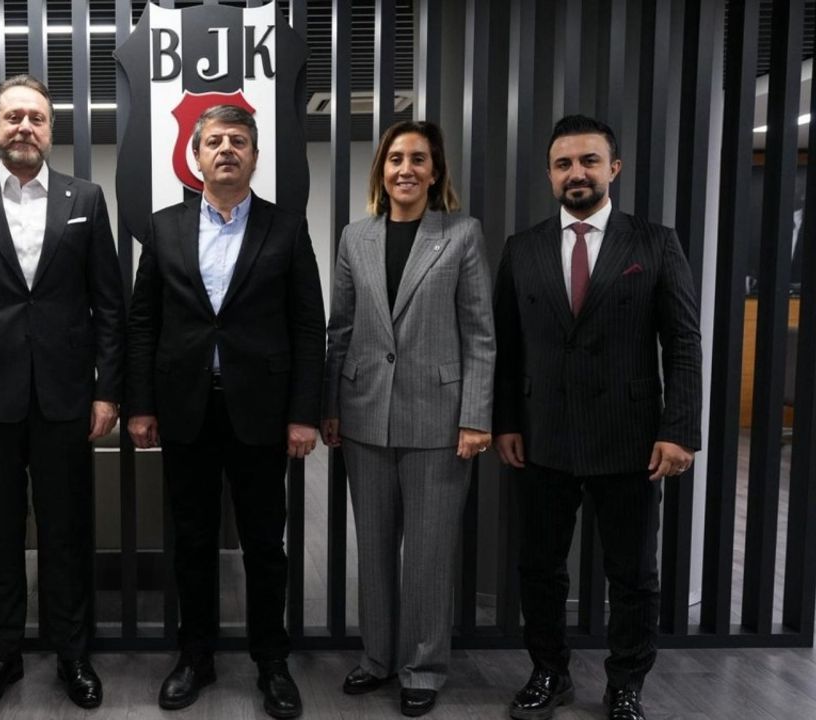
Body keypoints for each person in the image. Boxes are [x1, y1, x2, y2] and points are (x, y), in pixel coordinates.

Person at [0, 74, 124, 713]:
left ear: (50, 130)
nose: (24, 127)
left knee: (67, 532)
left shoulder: (85, 198)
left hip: (67, 397)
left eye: (36, 117)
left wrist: (107, 392)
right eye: (12, 117)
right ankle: (3, 655)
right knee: (0, 534)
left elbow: (109, 305)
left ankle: (73, 654)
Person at [494, 115, 701, 720]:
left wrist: (679, 430)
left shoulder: (655, 243)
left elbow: (683, 342)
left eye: (588, 160)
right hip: (541, 436)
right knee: (539, 568)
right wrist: (505, 421)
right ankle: (548, 672)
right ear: (550, 174)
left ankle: (626, 684)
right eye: (563, 164)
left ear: (614, 168)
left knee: (633, 575)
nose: (576, 173)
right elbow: (506, 347)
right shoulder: (522, 248)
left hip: (630, 438)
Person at [126, 104, 325, 720]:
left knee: (265, 542)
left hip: (262, 411)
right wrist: (141, 405)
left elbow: (307, 325)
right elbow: (143, 322)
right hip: (185, 408)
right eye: (214, 141)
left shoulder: (286, 228)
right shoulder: (163, 229)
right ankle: (196, 656)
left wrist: (304, 413)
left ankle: (272, 661)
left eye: (239, 140)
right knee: (191, 540)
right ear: (195, 156)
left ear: (255, 156)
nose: (226, 150)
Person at [321, 120, 495, 717]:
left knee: (427, 554)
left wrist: (475, 417)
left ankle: (423, 667)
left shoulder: (462, 234)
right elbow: (340, 329)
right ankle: (377, 658)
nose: (406, 169)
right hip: (364, 415)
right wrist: (331, 407)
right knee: (373, 550)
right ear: (382, 169)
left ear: (435, 170)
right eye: (396, 158)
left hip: (439, 421)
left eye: (419, 159)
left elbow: (480, 334)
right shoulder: (356, 237)